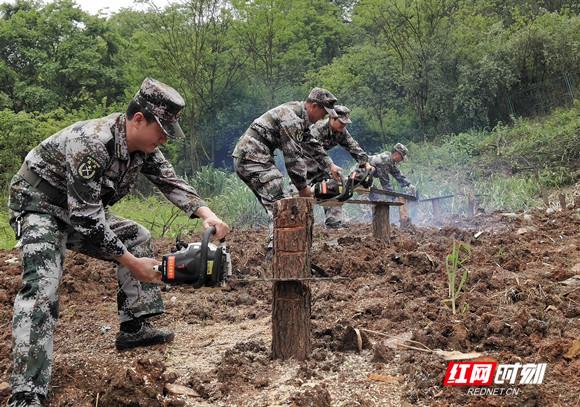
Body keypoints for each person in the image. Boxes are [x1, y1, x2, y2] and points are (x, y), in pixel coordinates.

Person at [6, 78, 230, 406]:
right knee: (41, 289)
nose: (165, 138)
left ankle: (134, 327)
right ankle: (27, 391)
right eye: (162, 129)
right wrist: (131, 264)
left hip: (80, 208)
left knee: (136, 236)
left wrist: (206, 214)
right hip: (39, 204)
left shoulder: (144, 147)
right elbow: (85, 220)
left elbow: (170, 180)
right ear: (138, 119)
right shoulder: (93, 142)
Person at [232, 87, 342, 248]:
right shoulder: (292, 119)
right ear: (314, 106)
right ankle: (279, 251)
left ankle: (281, 248)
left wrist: (330, 164)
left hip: (253, 157)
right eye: (323, 113)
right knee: (282, 208)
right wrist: (303, 189)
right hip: (253, 158)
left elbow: (310, 142)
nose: (323, 118)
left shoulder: (299, 115)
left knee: (277, 206)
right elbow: (293, 158)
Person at [305, 105, 373, 228]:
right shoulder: (318, 129)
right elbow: (315, 151)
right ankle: (297, 221)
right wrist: (330, 166)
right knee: (299, 195)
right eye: (341, 123)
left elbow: (353, 146)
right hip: (304, 163)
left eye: (346, 123)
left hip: (323, 163)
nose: (344, 126)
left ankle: (333, 220)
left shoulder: (342, 131)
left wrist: (365, 162)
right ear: (332, 118)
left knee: (335, 186)